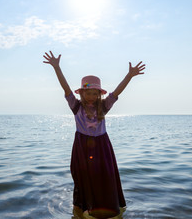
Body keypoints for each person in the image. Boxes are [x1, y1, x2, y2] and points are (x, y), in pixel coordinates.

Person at [43, 51, 145, 219]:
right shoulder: (76, 106)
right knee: (82, 175)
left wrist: (129, 75)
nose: (91, 97)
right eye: (88, 93)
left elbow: (117, 92)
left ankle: (107, 206)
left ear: (99, 94)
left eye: (94, 94)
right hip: (82, 146)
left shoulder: (104, 106)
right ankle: (81, 207)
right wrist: (57, 68)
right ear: (82, 93)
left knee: (104, 175)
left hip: (102, 146)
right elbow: (66, 88)